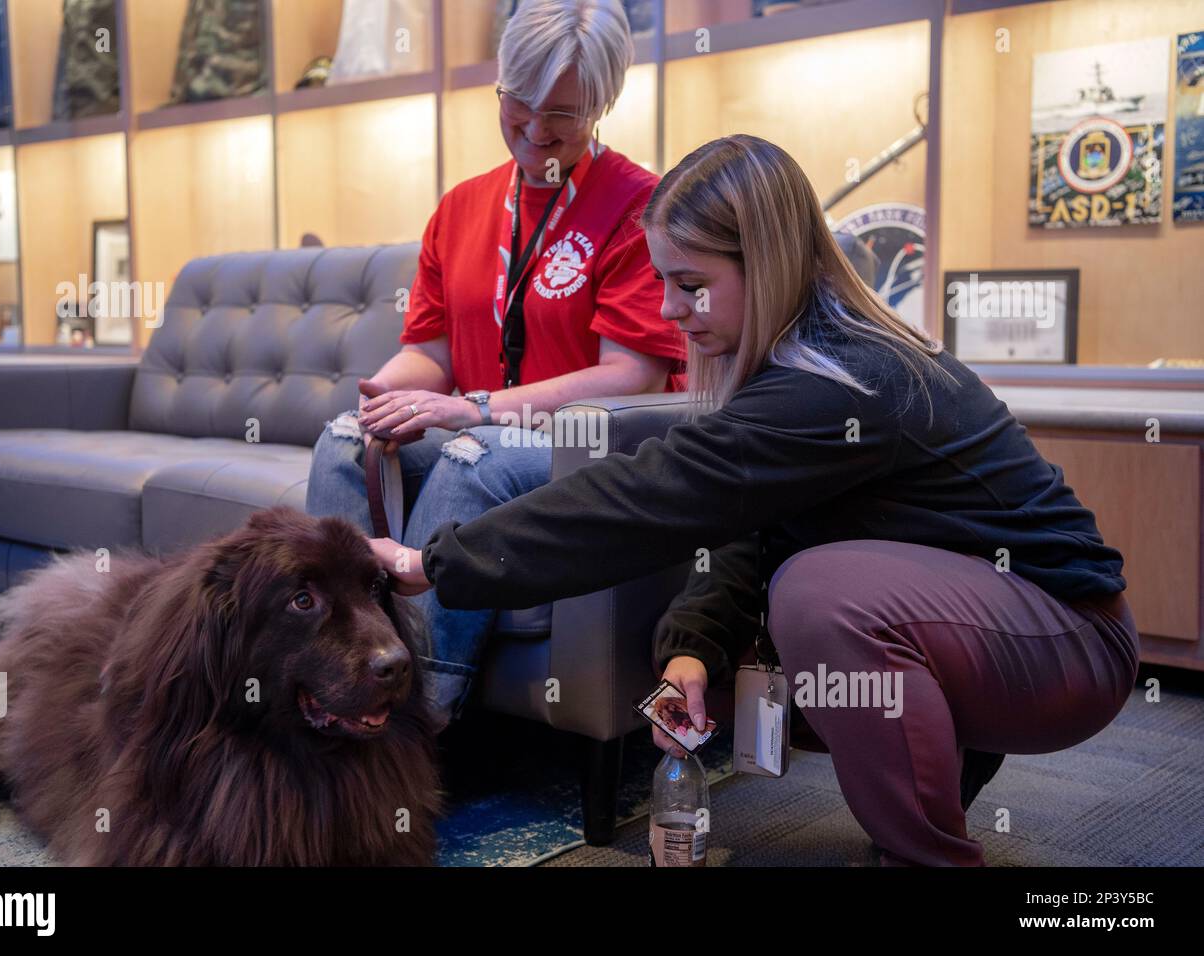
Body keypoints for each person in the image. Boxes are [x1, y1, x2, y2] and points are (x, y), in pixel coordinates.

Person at [369, 134, 1140, 867]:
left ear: (765, 264)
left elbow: (651, 497)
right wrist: (690, 654)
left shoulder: (843, 381)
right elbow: (742, 525)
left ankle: (927, 855)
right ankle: (923, 815)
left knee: (816, 598)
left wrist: (431, 560)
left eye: (691, 284)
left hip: (1068, 647)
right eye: (664, 280)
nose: (670, 310)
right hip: (996, 629)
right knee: (795, 615)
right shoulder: (805, 371)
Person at [305, 0, 686, 730]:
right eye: (521, 104)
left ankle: (422, 721)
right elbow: (433, 351)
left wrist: (476, 408)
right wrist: (385, 396)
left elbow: (631, 375)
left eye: (564, 115)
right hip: (483, 425)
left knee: (475, 456)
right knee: (343, 441)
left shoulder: (641, 206)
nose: (537, 130)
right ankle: (337, 681)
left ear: (604, 106)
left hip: (585, 448)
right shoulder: (462, 207)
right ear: (500, 87)